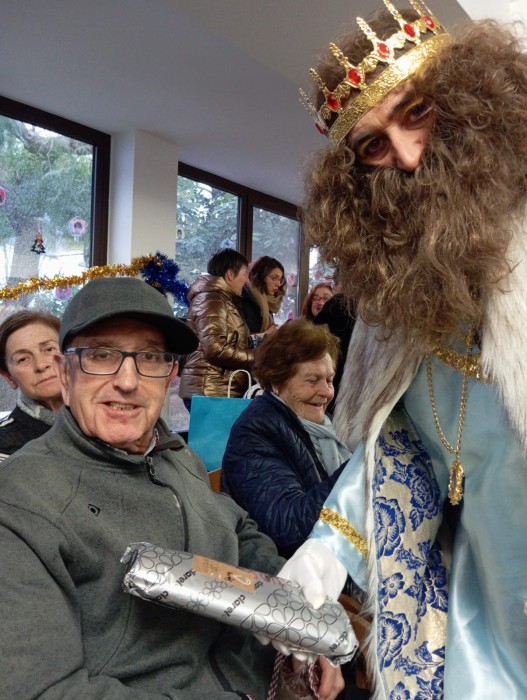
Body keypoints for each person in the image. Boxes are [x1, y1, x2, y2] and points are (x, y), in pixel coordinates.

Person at [277, 3, 527, 699]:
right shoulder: (402, 301)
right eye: (373, 146)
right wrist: (327, 550)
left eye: (416, 112)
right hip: (485, 624)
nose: (408, 157)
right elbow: (404, 453)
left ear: (471, 101)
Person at [0, 276, 343, 700]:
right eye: (101, 355)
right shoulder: (21, 499)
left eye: (150, 357)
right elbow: (42, 690)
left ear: (170, 377)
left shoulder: (175, 454)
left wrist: (299, 611)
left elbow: (238, 529)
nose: (128, 381)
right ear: (65, 376)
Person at [222, 319, 351, 558]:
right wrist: (356, 469)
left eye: (329, 380)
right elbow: (288, 527)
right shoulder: (255, 432)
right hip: (287, 570)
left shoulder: (325, 425)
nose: (326, 392)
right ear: (277, 382)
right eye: (312, 380)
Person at [179, 248, 254, 401]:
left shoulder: (220, 299)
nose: (247, 280)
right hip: (210, 391)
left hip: (217, 389)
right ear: (230, 274)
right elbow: (215, 349)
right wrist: (258, 357)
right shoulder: (212, 300)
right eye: (244, 274)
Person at [0, 310, 63, 460]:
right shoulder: (5, 446)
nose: (41, 365)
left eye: (49, 349)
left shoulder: (105, 417)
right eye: (23, 359)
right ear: (9, 377)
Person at [312, 285, 356, 414]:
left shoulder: (340, 304)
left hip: (331, 399)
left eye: (326, 298)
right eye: (316, 298)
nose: (320, 302)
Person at [242, 255, 285, 334]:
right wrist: (267, 334)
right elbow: (241, 338)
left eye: (280, 279)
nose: (278, 284)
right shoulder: (244, 299)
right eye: (274, 278)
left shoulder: (268, 301)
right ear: (261, 276)